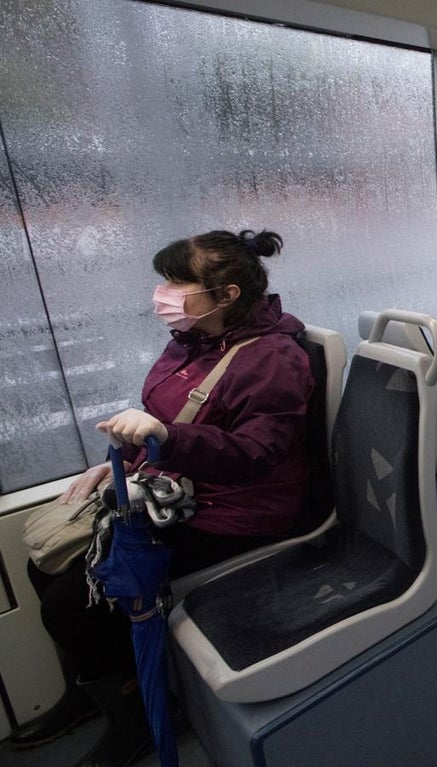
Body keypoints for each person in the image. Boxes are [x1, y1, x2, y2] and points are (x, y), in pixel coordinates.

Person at [13, 229, 314, 767]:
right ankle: (91, 692)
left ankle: (135, 717)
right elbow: (169, 421)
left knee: (72, 600)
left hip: (238, 511)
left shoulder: (272, 359)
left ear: (226, 296)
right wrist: (119, 467)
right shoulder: (193, 343)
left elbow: (255, 453)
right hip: (181, 488)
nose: (164, 292)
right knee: (46, 563)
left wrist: (165, 439)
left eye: (179, 280)